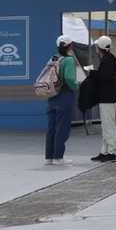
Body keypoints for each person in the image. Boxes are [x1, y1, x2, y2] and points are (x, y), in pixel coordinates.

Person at [43, 36, 80, 164]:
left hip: (52, 95)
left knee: (51, 127)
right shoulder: (69, 60)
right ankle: (58, 157)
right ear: (70, 46)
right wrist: (76, 86)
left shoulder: (54, 58)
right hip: (64, 95)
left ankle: (49, 157)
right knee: (62, 127)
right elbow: (69, 78)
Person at [88, 35, 116, 163]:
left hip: (107, 98)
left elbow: (105, 78)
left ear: (100, 47)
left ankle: (112, 152)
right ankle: (105, 151)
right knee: (106, 125)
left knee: (109, 126)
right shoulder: (110, 59)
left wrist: (92, 72)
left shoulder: (108, 60)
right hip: (107, 97)